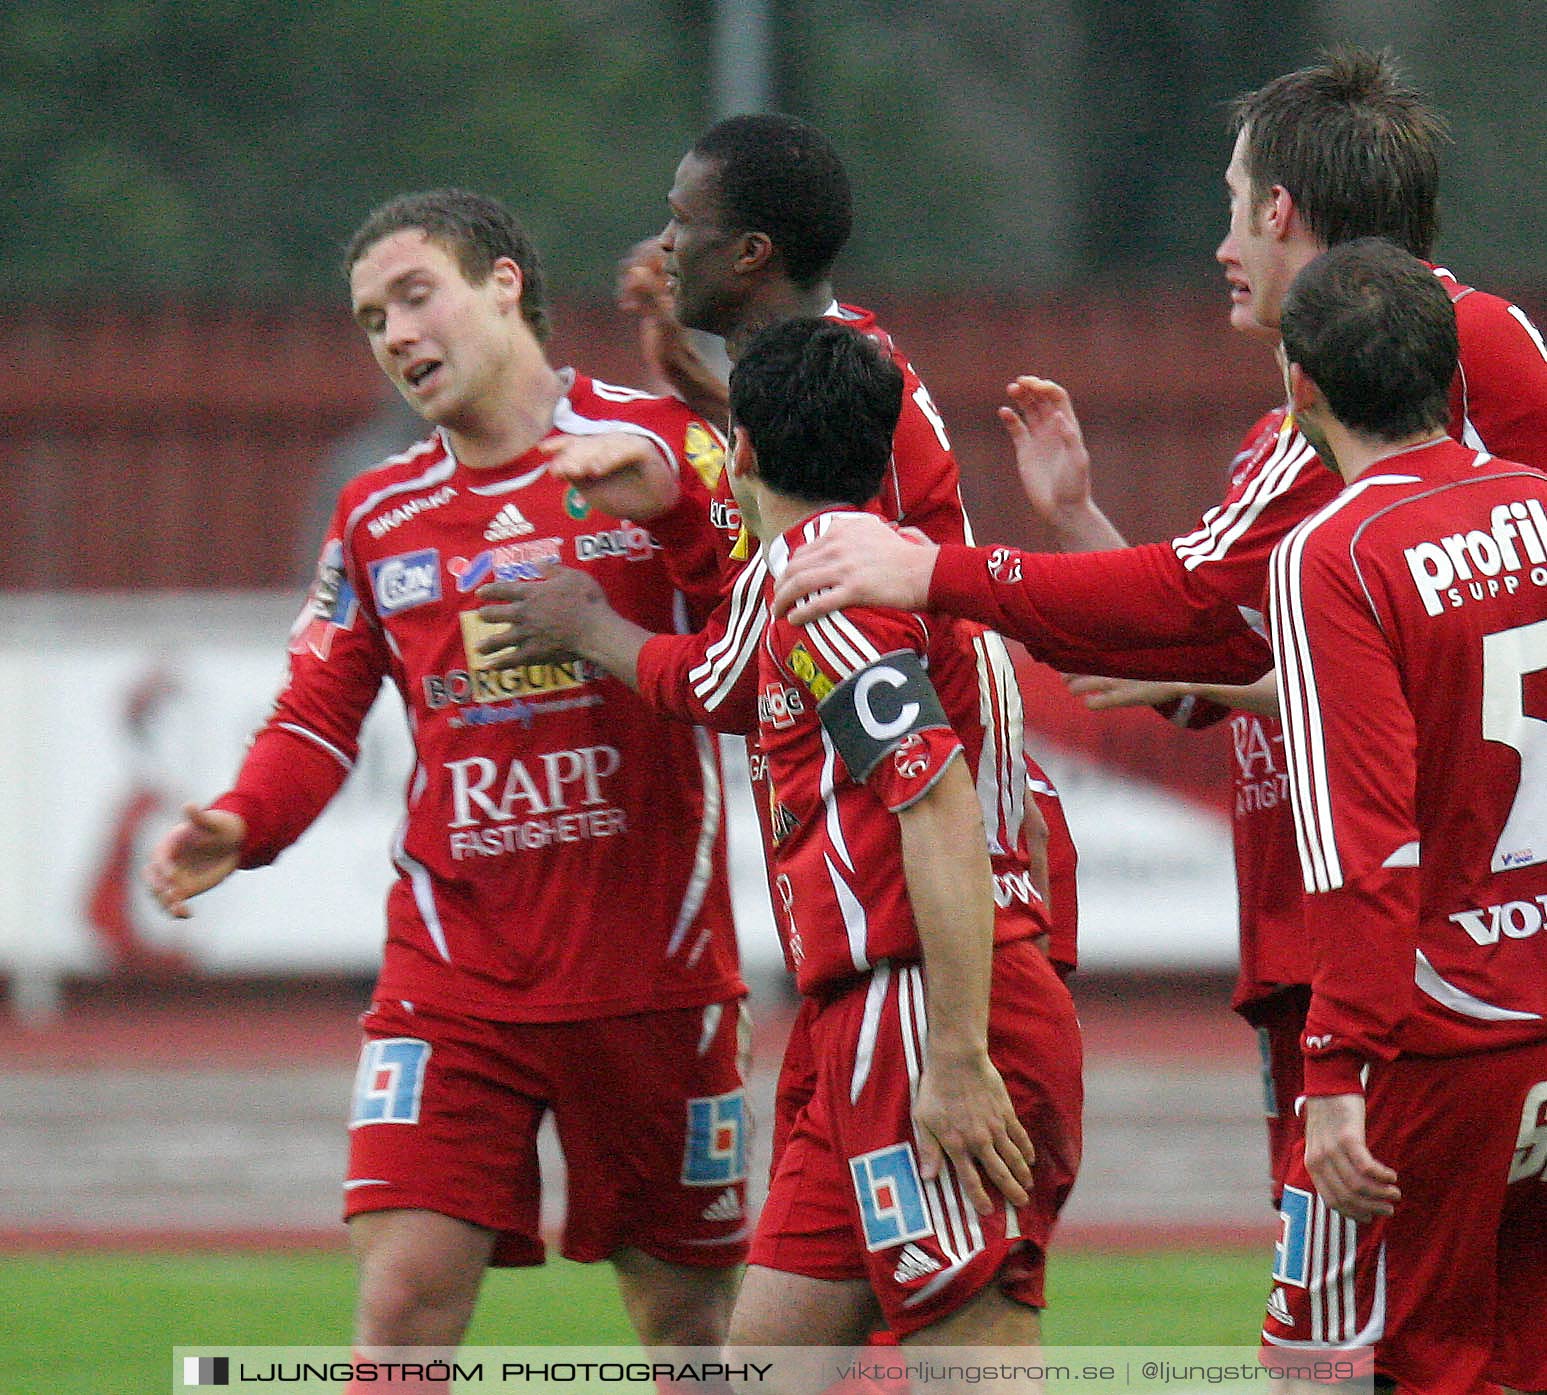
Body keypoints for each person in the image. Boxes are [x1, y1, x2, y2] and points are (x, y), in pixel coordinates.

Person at [771, 48, 1547, 1205]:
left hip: (1418, 962)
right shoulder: (1391, 385)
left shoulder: (1409, 381)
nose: (1221, 246)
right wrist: (1082, 525)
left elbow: (1194, 603)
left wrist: (932, 570)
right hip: (1395, 939)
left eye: (1231, 206)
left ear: (1279, 210)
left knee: (1348, 1354)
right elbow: (1215, 639)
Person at [143, 189, 748, 1379]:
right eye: (372, 318)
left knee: (686, 1333)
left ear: (504, 285)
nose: (396, 334)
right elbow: (318, 710)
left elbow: (757, 642)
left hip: (651, 976)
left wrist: (680, 512)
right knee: (406, 1302)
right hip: (453, 970)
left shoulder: (659, 443)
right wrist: (243, 817)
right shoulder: (378, 513)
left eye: (416, 295)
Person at [479, 112, 1079, 978]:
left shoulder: (837, 412)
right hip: (896, 899)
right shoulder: (834, 370)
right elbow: (758, 583)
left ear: (752, 253)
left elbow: (743, 669)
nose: (664, 244)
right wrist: (691, 427)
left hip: (923, 912)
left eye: (684, 220)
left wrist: (586, 623)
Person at [722, 318, 1081, 1375]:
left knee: (970, 1356)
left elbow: (938, 806)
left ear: (737, 451)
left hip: (924, 1014)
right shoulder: (847, 585)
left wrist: (959, 1054)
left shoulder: (833, 607)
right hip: (864, 1023)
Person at [1262, 236, 1547, 1394]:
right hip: (1536, 1008)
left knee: (1323, 1366)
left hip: (1425, 1041)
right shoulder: (1538, 502)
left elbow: (1362, 839)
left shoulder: (1330, 550)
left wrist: (1330, 1073)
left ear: (1301, 386)